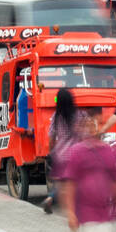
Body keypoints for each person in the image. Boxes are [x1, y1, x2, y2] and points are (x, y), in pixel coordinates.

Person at [42, 87, 80, 215]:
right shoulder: (78, 115)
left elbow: (51, 136)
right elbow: (83, 134)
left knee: (62, 182)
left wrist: (51, 151)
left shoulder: (56, 117)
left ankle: (50, 198)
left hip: (60, 154)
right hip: (76, 155)